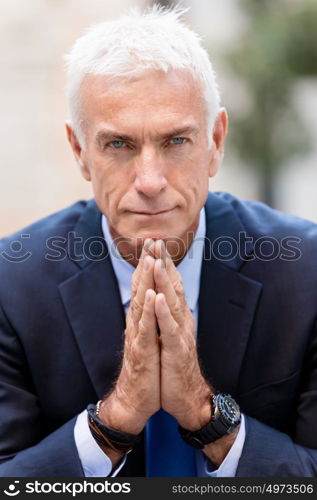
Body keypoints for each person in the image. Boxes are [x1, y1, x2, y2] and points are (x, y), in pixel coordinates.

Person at [0, 5, 316, 478]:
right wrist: (116, 419)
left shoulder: (306, 272)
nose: (150, 181)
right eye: (119, 145)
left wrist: (208, 419)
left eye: (175, 142)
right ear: (79, 152)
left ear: (215, 141)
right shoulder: (12, 284)